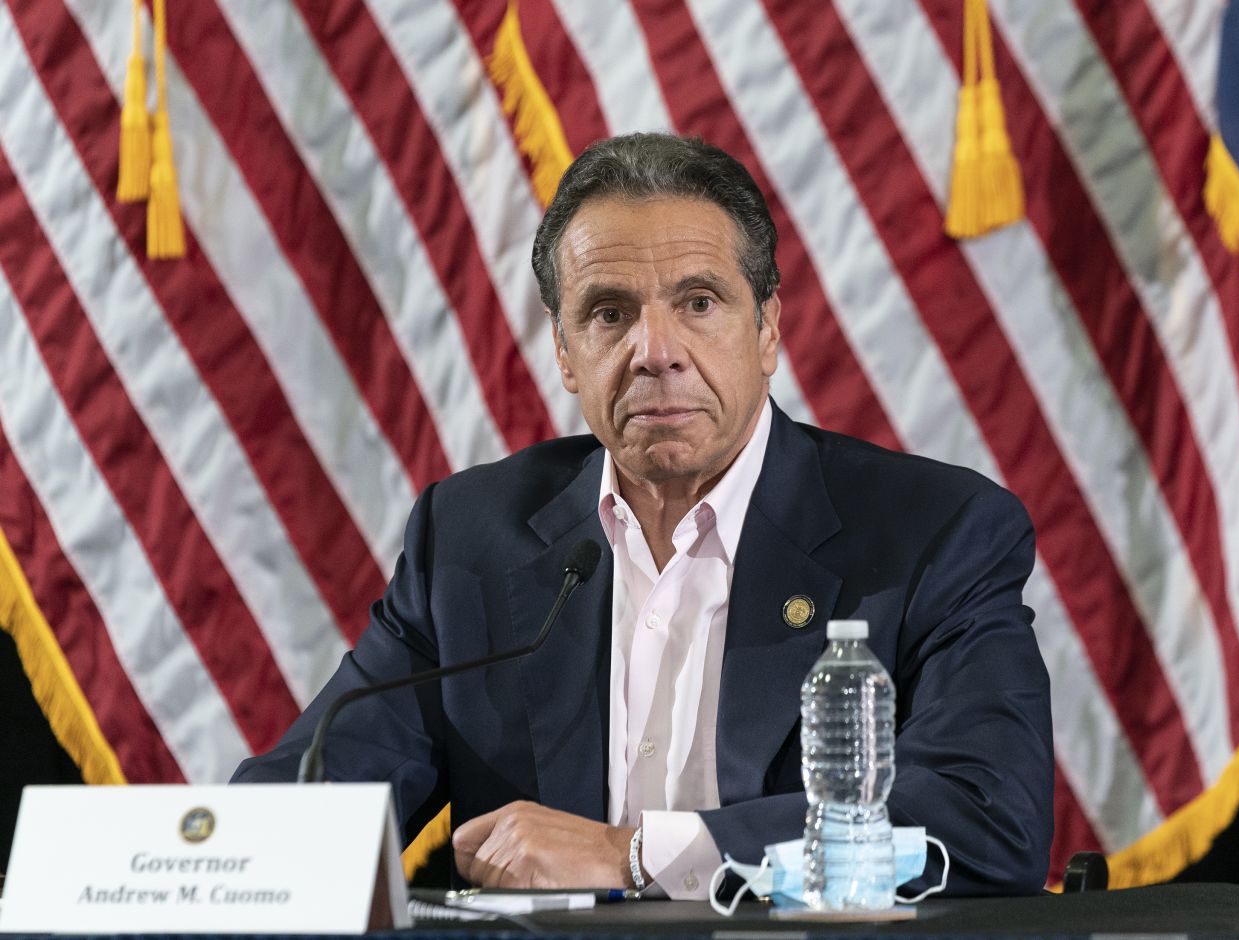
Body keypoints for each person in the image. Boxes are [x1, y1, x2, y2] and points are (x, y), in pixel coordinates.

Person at [232, 133, 1053, 898]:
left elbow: (983, 821)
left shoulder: (932, 535)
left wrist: (633, 854)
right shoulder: (470, 541)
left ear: (767, 328)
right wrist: (180, 857)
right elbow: (315, 799)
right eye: (609, 313)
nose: (654, 350)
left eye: (698, 303)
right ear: (563, 350)